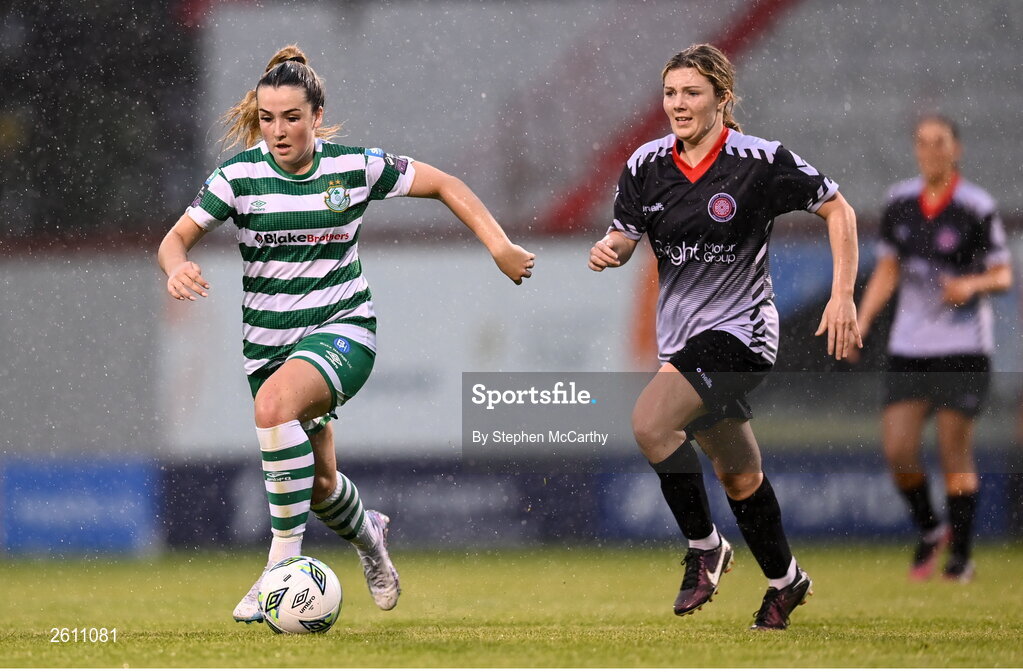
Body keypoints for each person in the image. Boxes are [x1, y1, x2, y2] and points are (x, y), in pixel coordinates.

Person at [158, 45, 535, 623]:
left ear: (316, 115)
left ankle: (277, 571)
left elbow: (444, 183)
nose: (278, 130)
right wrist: (177, 265)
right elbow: (172, 239)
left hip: (343, 331)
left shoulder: (352, 167)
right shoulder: (237, 178)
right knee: (319, 485)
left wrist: (499, 244)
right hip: (268, 346)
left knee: (273, 405)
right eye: (267, 118)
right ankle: (371, 539)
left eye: (291, 117)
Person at [588, 44, 860, 630]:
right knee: (739, 476)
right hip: (684, 341)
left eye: (692, 93)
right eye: (670, 93)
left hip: (744, 334)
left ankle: (705, 546)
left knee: (651, 424)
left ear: (722, 98)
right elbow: (624, 236)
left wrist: (842, 294)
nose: (678, 105)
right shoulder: (645, 165)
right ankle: (787, 583)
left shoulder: (759, 161)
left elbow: (839, 210)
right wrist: (609, 250)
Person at [854, 115, 1011, 583]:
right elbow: (887, 269)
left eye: (939, 142)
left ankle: (960, 559)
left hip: (962, 348)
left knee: (952, 451)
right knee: (898, 450)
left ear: (956, 149)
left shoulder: (975, 206)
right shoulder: (900, 203)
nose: (930, 151)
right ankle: (930, 526)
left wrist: (971, 283)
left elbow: (1003, 274)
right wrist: (861, 320)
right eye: (922, 143)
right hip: (910, 346)